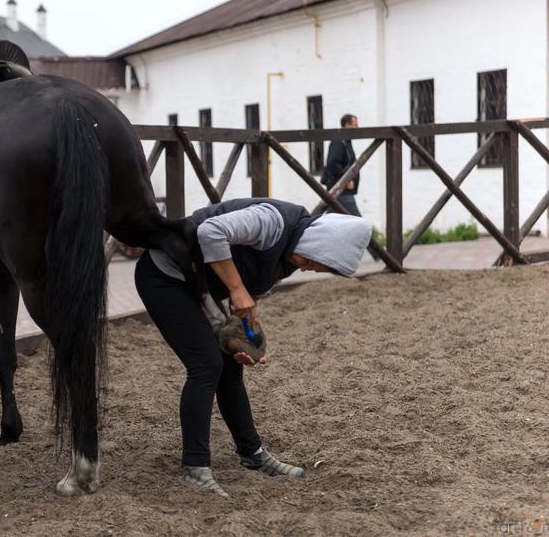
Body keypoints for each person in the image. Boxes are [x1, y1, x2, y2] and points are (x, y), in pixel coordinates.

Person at [134, 198, 372, 497]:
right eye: (313, 261)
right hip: (165, 273)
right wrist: (237, 288)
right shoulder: (271, 221)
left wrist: (239, 344)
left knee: (230, 369)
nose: (308, 269)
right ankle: (196, 469)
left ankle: (253, 454)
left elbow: (237, 311)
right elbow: (210, 232)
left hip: (198, 286)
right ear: (317, 242)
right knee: (206, 365)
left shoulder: (289, 257)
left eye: (316, 268)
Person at [321, 114, 361, 217]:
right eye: (355, 125)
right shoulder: (339, 141)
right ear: (347, 125)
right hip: (340, 190)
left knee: (333, 219)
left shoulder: (345, 142)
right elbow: (332, 163)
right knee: (356, 220)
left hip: (340, 190)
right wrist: (346, 180)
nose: (357, 128)